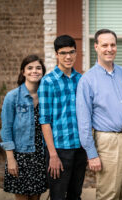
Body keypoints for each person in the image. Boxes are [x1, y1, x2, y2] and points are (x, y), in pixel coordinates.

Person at [76, 29, 122, 200]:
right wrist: (92, 154)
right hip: (109, 142)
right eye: (105, 45)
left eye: (113, 45)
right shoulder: (88, 80)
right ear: (96, 47)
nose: (109, 49)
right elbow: (83, 122)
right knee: (109, 195)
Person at [38, 35, 87, 200]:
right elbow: (44, 120)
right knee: (57, 196)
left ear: (76, 52)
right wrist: (52, 155)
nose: (68, 57)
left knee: (75, 195)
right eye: (63, 53)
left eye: (71, 52)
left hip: (79, 148)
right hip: (59, 149)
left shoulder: (81, 80)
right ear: (56, 54)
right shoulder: (48, 82)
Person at [0, 55, 47, 200]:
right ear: (23, 72)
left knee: (35, 198)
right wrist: (11, 159)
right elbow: (6, 129)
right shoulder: (12, 97)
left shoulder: (45, 97)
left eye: (38, 68)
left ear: (43, 72)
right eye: (30, 68)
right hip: (20, 156)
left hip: (40, 156)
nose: (35, 71)